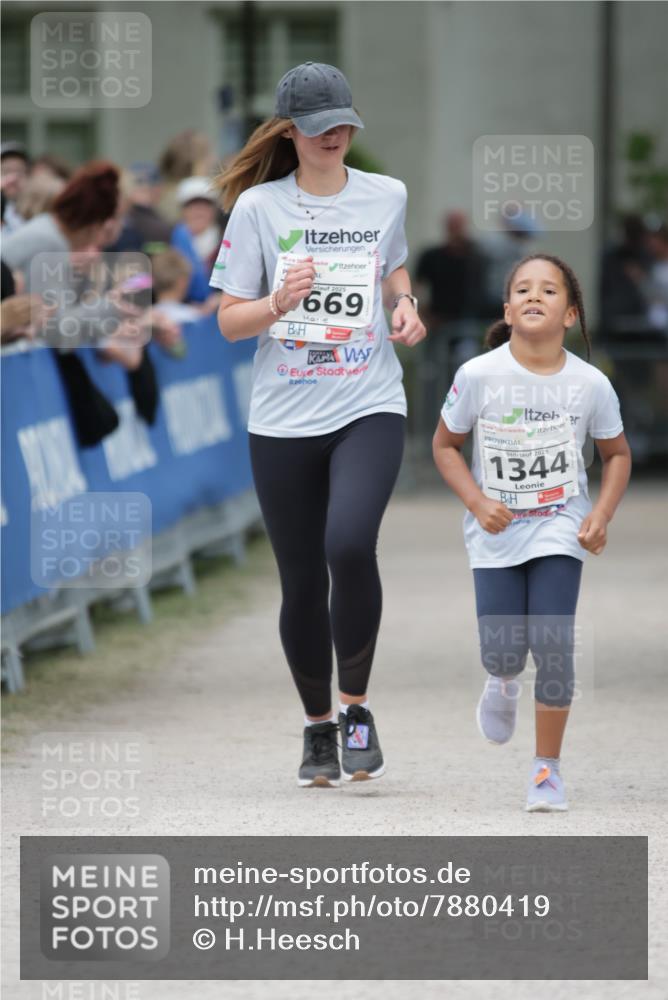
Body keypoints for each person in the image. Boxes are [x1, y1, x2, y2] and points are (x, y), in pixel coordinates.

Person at [210, 61, 426, 787]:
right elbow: (229, 324)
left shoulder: (385, 195)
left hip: (368, 402)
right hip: (282, 418)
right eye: (317, 127)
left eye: (343, 123)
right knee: (301, 582)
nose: (334, 135)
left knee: (349, 542)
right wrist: (276, 303)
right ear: (289, 133)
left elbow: (392, 269)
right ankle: (316, 730)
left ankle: (356, 708)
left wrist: (404, 304)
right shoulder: (258, 210)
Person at [432, 254, 631, 811]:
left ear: (570, 314)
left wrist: (602, 514)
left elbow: (616, 455)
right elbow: (445, 446)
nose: (534, 295)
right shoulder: (478, 375)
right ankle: (500, 681)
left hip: (558, 526)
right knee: (503, 652)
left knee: (553, 642)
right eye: (523, 289)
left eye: (548, 290)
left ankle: (547, 770)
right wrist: (477, 500)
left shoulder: (590, 384)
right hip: (494, 531)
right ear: (507, 309)